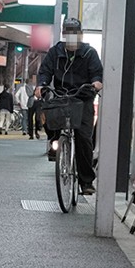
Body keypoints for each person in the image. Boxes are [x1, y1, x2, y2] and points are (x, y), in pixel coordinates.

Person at [36, 18, 103, 195]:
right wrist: (41, 84)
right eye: (68, 33)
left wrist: (96, 83)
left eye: (75, 33)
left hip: (83, 98)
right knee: (48, 117)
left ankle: (86, 181)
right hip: (61, 96)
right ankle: (55, 144)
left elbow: (97, 73)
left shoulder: (90, 53)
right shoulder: (55, 52)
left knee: (83, 138)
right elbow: (45, 71)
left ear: (80, 35)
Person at [23, 75, 41, 140]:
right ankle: (31, 134)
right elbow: (29, 94)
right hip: (31, 103)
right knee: (30, 118)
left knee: (37, 118)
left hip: (38, 102)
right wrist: (35, 92)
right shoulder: (27, 86)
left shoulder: (39, 85)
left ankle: (37, 131)